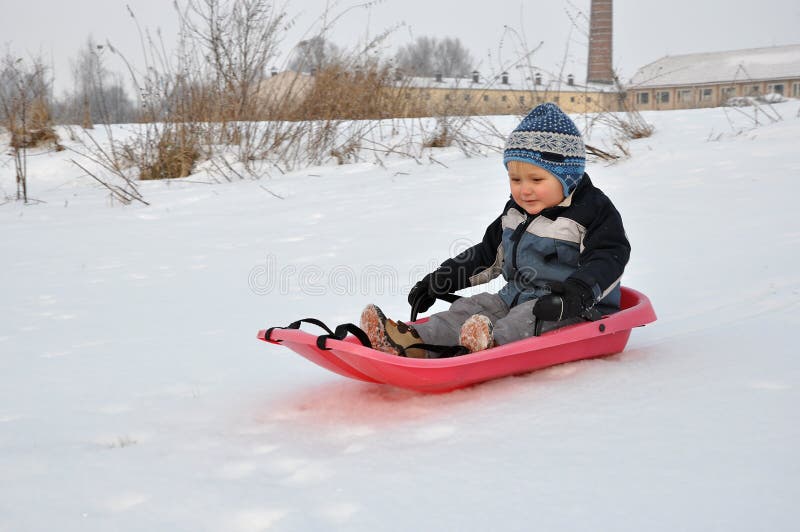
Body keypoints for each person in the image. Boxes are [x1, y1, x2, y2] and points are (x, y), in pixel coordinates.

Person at [360, 103, 630, 358]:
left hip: (572, 308)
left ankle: (489, 344)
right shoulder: (515, 212)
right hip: (514, 295)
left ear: (567, 176)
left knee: (527, 318)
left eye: (537, 179)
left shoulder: (592, 212)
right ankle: (411, 341)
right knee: (470, 308)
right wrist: (440, 279)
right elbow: (486, 255)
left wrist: (578, 293)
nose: (524, 189)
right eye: (515, 179)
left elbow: (608, 258)